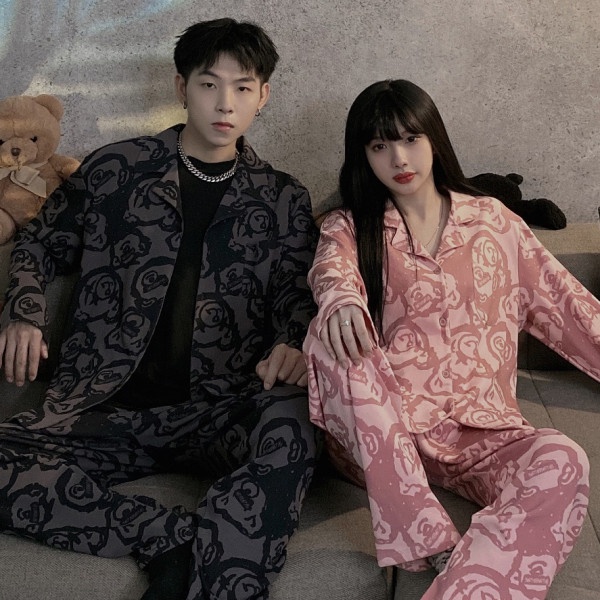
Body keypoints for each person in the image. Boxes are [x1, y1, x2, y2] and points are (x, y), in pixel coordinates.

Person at [0, 18, 319, 600]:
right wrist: (25, 312)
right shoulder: (115, 170)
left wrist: (293, 340)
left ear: (263, 96)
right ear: (181, 87)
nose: (225, 103)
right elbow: (39, 243)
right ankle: (165, 536)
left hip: (220, 411)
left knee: (294, 422)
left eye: (242, 87)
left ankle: (223, 581)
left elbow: (297, 295)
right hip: (105, 407)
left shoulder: (282, 198)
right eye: (209, 84)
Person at [303, 79, 599, 599]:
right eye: (379, 146)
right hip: (386, 435)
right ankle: (424, 529)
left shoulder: (494, 222)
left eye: (410, 139)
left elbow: (567, 303)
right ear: (363, 156)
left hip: (481, 432)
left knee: (564, 458)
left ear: (434, 138)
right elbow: (331, 270)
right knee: (332, 337)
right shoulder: (349, 226)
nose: (399, 158)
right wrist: (341, 299)